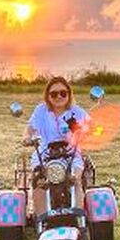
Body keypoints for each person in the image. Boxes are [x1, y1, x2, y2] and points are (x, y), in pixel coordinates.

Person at [24, 76, 91, 217]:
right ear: (48, 96)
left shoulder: (76, 111)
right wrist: (27, 138)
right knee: (39, 181)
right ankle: (42, 219)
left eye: (63, 93)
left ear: (69, 94)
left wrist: (84, 133)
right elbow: (29, 128)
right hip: (44, 152)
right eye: (54, 94)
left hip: (71, 152)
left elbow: (90, 127)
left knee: (75, 179)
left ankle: (78, 218)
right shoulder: (41, 110)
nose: (58, 96)